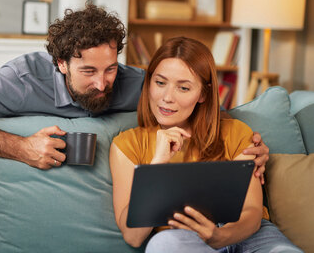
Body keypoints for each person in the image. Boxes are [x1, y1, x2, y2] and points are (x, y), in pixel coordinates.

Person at [0, 2, 269, 176]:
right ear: (61, 64)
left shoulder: (139, 83)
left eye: (109, 69)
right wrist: (21, 147)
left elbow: (199, 109)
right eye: (88, 71)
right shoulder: (22, 79)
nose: (102, 83)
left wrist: (251, 147)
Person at [110, 37, 302, 252]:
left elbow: (252, 212)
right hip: (183, 240)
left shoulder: (236, 132)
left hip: (247, 236)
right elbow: (133, 236)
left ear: (202, 94)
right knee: (162, 245)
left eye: (183, 88)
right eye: (160, 82)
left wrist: (221, 236)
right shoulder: (126, 145)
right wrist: (158, 164)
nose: (166, 97)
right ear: (149, 82)